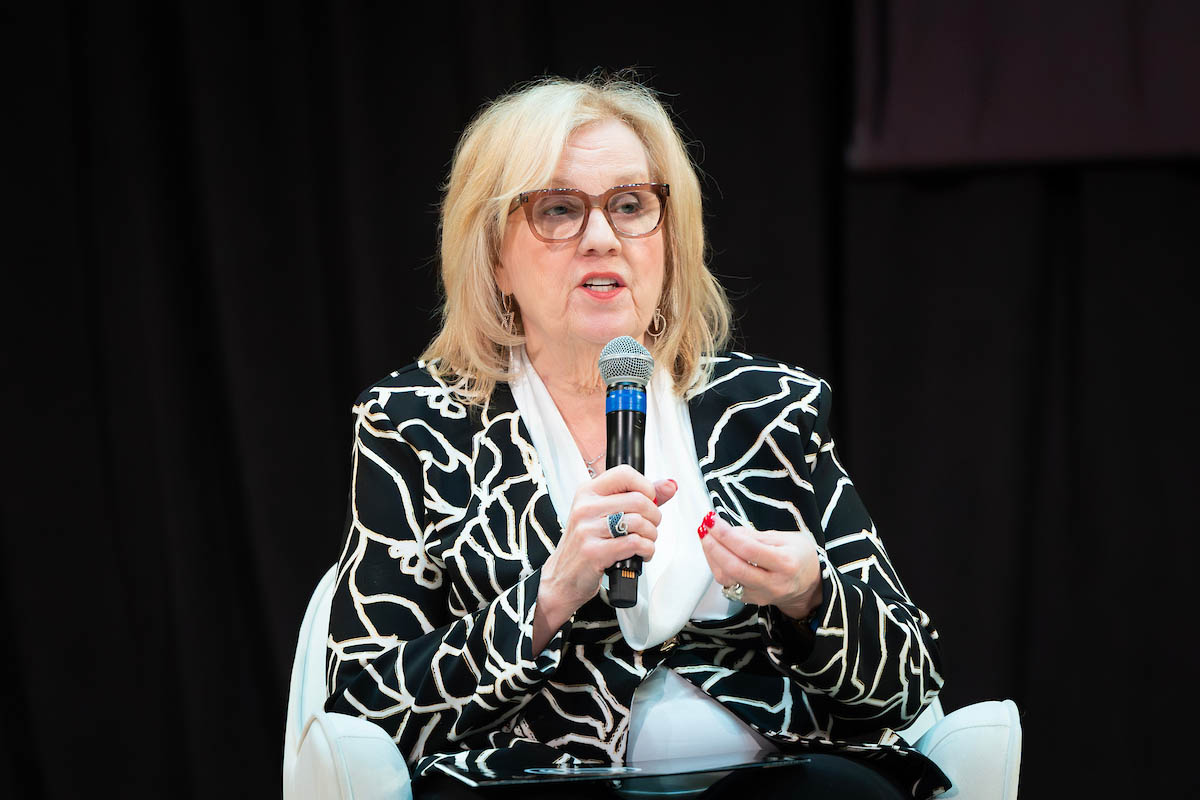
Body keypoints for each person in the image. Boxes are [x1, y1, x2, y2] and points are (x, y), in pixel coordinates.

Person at [325, 75, 947, 799]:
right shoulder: (415, 426)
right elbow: (364, 705)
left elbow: (910, 688)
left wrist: (812, 597)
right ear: (493, 255)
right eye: (558, 209)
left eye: (630, 205)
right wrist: (550, 595)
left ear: (670, 239)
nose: (602, 237)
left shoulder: (768, 409)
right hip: (545, 780)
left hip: (770, 774)